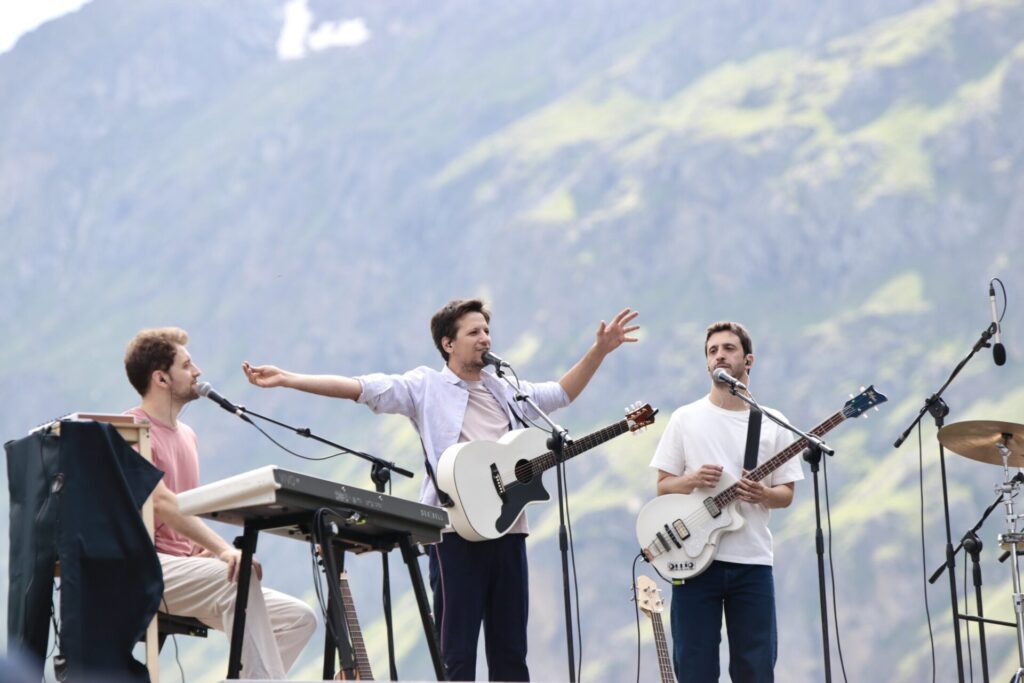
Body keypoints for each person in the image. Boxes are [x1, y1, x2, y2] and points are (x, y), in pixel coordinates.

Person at [242, 299, 639, 681]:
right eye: (473, 332)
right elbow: (361, 388)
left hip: (508, 531)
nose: (485, 338)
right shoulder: (426, 386)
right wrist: (288, 379)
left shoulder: (506, 388)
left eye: (487, 330)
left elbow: (560, 393)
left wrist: (599, 351)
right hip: (454, 535)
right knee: (457, 654)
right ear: (448, 344)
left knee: (511, 652)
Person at [123, 327, 317, 680]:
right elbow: (163, 503)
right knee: (233, 577)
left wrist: (203, 548)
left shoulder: (187, 435)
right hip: (145, 567)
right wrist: (224, 551)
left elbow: (184, 511)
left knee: (298, 619)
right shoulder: (134, 429)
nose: (197, 372)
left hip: (184, 570)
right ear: (161, 378)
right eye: (187, 364)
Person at [649, 321, 803, 683]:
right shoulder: (686, 418)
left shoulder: (773, 422)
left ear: (748, 360)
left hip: (752, 562)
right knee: (694, 668)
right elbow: (662, 486)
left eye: (729, 348)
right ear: (706, 362)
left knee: (756, 667)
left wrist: (763, 494)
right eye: (712, 350)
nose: (720, 354)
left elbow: (787, 494)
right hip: (692, 561)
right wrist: (691, 480)